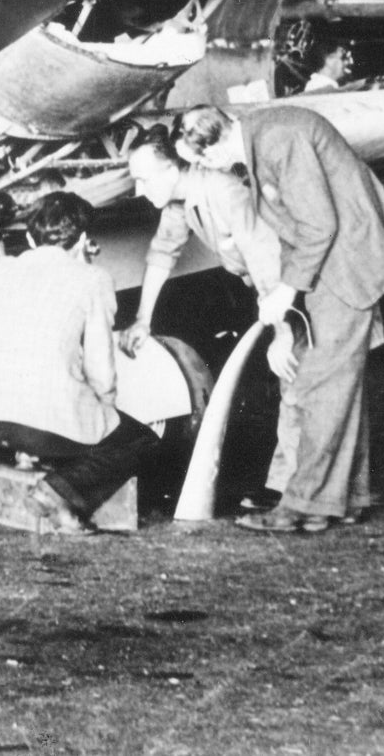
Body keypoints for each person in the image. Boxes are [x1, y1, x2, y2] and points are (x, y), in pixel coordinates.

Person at [174, 103, 384, 534]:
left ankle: (301, 506)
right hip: (331, 265)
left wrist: (285, 291)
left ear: (216, 141)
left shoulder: (278, 139)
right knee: (338, 387)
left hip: (344, 268)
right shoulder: (266, 135)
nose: (207, 168)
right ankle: (341, 500)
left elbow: (319, 225)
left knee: (320, 384)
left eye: (203, 159)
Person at [126, 125, 301, 509]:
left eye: (143, 179)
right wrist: (143, 319)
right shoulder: (179, 201)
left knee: (299, 383)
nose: (138, 191)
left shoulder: (222, 190)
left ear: (173, 168)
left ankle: (295, 490)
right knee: (295, 387)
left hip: (293, 285)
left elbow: (265, 255)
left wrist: (283, 331)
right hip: (269, 288)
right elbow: (162, 253)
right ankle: (290, 486)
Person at [0, 191, 161, 535]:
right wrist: (105, 413)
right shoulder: (94, 280)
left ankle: (29, 457)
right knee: (139, 440)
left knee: (56, 412)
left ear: (29, 238)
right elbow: (100, 368)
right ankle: (57, 493)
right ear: (85, 240)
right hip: (45, 425)